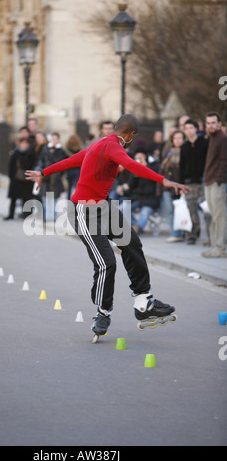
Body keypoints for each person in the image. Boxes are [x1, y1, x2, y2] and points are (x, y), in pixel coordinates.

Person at [26, 114, 190, 339]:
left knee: (132, 243)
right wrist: (164, 180)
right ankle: (103, 312)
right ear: (131, 135)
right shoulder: (113, 147)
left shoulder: (100, 144)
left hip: (104, 206)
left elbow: (73, 160)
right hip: (83, 211)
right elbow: (133, 166)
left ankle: (143, 302)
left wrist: (44, 172)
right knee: (106, 263)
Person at [179, 119, 210, 245]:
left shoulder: (205, 143)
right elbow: (182, 166)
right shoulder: (184, 146)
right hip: (189, 183)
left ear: (196, 129)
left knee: (207, 211)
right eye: (186, 128)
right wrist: (180, 185)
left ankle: (211, 237)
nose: (189, 130)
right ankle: (193, 234)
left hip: (203, 182)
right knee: (192, 211)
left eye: (191, 128)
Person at [202, 112, 227, 258]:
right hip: (209, 181)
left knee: (220, 216)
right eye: (208, 123)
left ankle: (220, 248)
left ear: (219, 124)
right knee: (214, 216)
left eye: (213, 123)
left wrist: (218, 180)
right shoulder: (212, 138)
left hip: (217, 183)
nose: (210, 126)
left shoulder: (223, 138)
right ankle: (214, 247)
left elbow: (224, 162)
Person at [127, 147, 161, 235]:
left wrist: (146, 167)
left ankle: (136, 229)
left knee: (144, 212)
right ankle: (135, 226)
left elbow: (156, 178)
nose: (139, 159)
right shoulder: (134, 167)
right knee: (123, 208)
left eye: (141, 157)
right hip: (138, 198)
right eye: (137, 157)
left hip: (150, 198)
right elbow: (131, 185)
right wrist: (134, 173)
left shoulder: (154, 165)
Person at [161, 130, 185, 242]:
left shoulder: (185, 152)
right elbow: (163, 170)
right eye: (176, 138)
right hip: (167, 186)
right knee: (171, 211)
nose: (178, 140)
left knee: (180, 210)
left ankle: (181, 233)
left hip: (178, 186)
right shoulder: (169, 153)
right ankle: (174, 233)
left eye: (180, 138)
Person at [36, 132, 67, 221]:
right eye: (52, 139)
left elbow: (61, 164)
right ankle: (46, 216)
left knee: (54, 199)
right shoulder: (45, 149)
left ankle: (52, 217)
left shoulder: (61, 151)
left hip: (55, 178)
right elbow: (41, 161)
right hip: (45, 177)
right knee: (45, 198)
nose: (54, 141)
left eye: (55, 139)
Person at [4, 137, 36, 220]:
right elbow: (11, 166)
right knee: (13, 198)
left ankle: (27, 215)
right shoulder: (15, 153)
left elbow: (32, 165)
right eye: (23, 143)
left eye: (26, 143)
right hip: (16, 179)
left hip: (26, 179)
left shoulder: (31, 154)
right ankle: (11, 215)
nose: (24, 145)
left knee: (26, 198)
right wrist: (11, 177)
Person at [64, 134, 84, 199]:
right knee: (77, 187)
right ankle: (77, 200)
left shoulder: (67, 150)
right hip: (77, 170)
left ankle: (68, 200)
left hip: (69, 170)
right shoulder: (79, 149)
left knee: (69, 187)